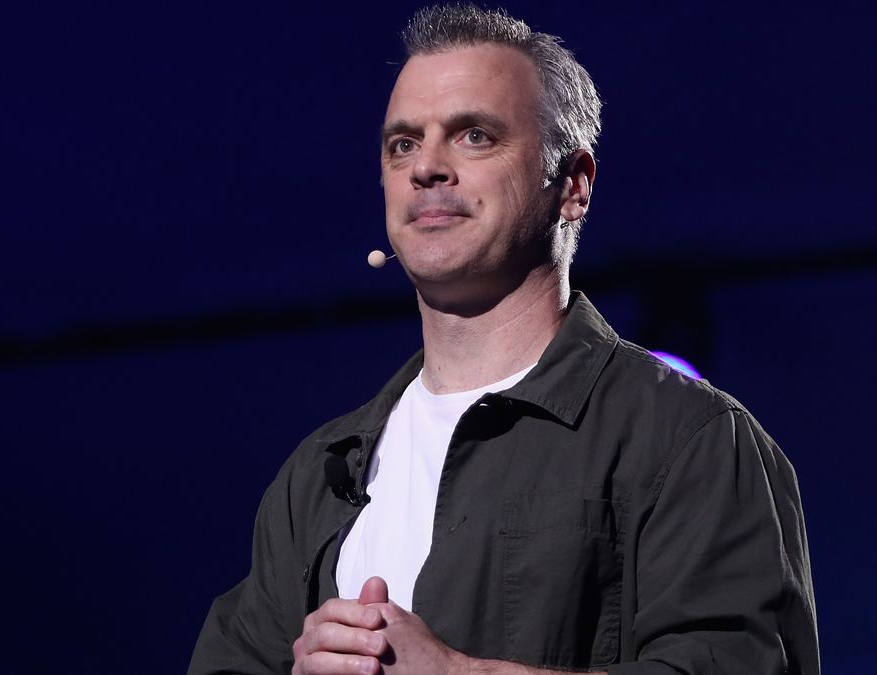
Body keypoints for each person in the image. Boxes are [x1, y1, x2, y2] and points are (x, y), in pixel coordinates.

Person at [188, 5, 818, 674]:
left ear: (572, 186)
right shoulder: (316, 475)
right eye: (403, 143)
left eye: (475, 136)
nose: (425, 166)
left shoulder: (687, 437)